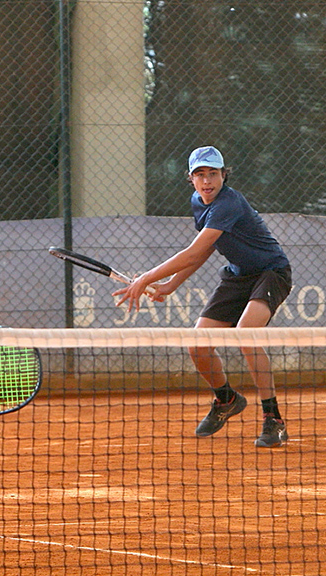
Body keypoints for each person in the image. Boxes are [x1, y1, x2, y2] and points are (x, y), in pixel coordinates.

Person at [114, 145, 292, 448]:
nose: (207, 180)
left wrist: (145, 279)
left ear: (223, 175)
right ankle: (226, 399)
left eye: (213, 173)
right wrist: (171, 285)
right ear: (191, 178)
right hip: (237, 276)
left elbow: (193, 251)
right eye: (200, 174)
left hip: (271, 273)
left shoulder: (229, 203)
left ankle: (273, 419)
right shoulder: (198, 202)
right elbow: (206, 249)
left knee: (246, 335)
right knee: (198, 344)